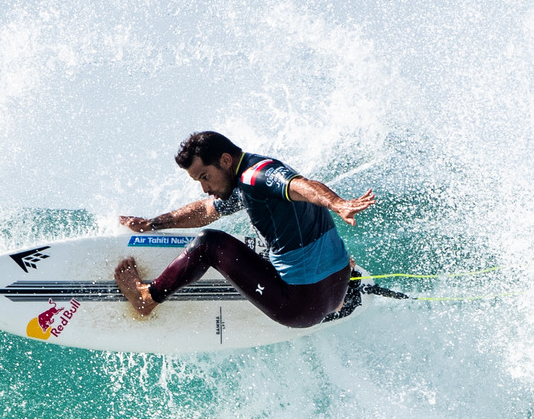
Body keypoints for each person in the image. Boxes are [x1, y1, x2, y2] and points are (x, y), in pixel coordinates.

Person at [115, 131, 375, 328]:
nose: (205, 188)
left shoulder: (257, 177)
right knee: (267, 245)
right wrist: (152, 224)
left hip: (301, 306)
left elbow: (301, 186)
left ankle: (147, 298)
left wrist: (337, 203)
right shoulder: (245, 180)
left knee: (209, 243)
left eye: (205, 177)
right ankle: (338, 293)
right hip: (337, 287)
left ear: (225, 160)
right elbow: (207, 210)